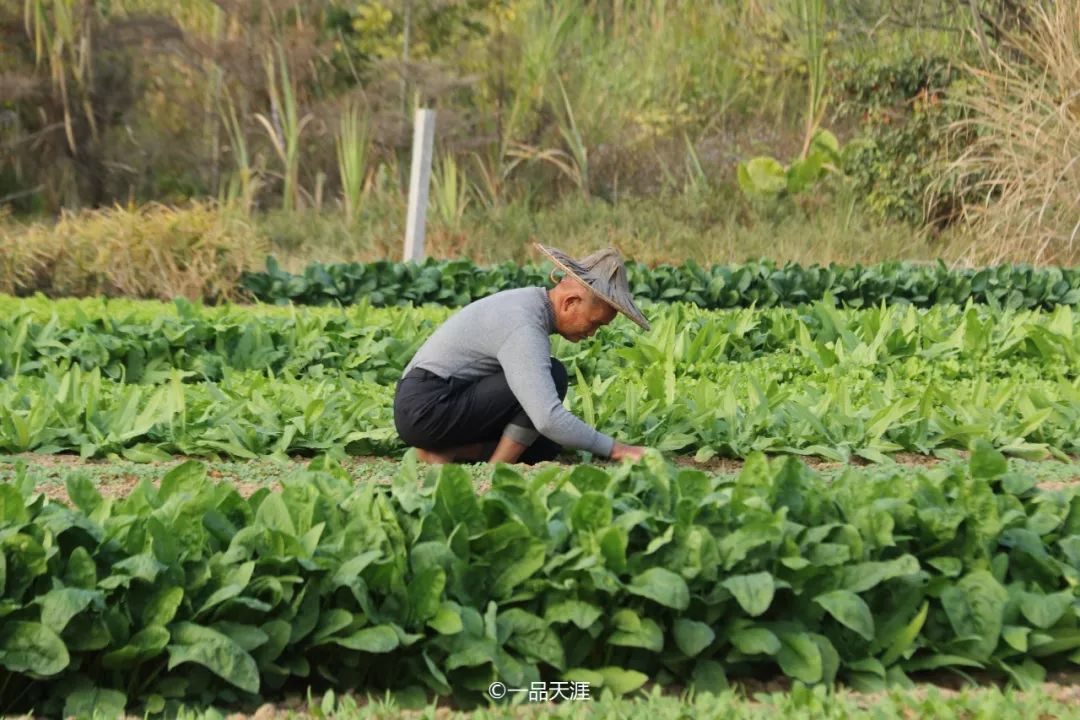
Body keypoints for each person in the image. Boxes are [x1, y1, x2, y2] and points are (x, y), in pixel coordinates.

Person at [394, 243, 652, 464]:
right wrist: (618, 449)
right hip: (427, 407)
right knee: (553, 376)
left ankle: (450, 451)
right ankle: (496, 468)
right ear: (570, 302)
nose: (592, 333)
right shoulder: (524, 325)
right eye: (594, 323)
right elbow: (548, 418)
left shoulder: (527, 302)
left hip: (427, 403)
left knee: (545, 448)